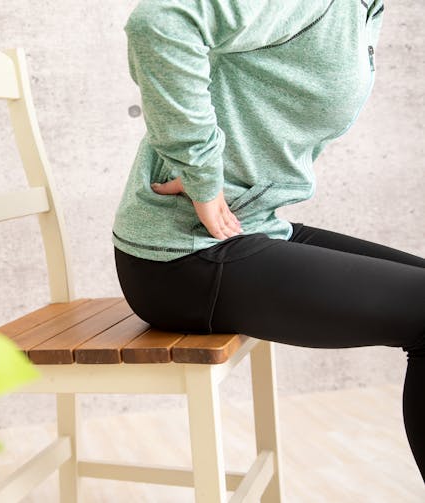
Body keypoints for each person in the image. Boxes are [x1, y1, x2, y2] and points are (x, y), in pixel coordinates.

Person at [111, 0, 425, 484]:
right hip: (183, 256)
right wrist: (202, 174)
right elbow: (161, 22)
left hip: (252, 227)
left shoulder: (367, 8)